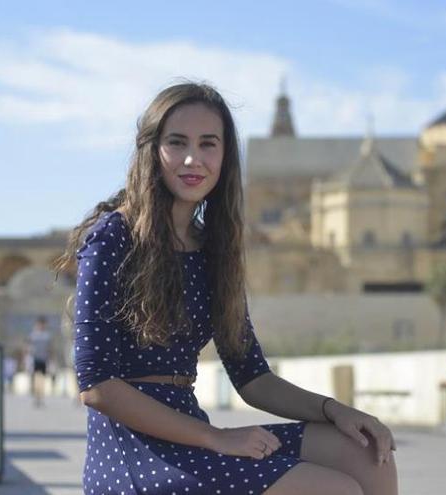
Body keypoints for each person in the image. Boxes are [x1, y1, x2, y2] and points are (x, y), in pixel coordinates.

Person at [53, 82, 398, 494]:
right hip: (133, 450)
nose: (192, 159)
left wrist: (335, 411)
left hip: (191, 434)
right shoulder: (113, 236)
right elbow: (97, 387)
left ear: (225, 156)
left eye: (208, 144)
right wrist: (219, 438)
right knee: (331, 490)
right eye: (177, 142)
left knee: (364, 450)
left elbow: (252, 377)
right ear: (152, 150)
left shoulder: (213, 250)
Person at [28, 316, 52, 406]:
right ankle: (36, 396)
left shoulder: (47, 336)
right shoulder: (33, 335)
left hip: (44, 359)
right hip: (35, 359)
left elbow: (49, 349)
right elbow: (28, 347)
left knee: (42, 379)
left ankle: (40, 396)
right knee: (36, 378)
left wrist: (50, 359)